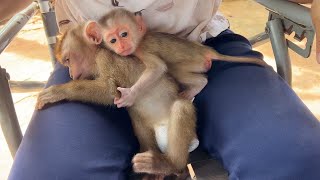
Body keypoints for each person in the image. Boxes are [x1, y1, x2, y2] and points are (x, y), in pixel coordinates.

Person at [4, 0, 320, 179]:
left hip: (197, 49)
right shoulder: (85, 54)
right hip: (94, 71)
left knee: (297, 160)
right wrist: (69, 82)